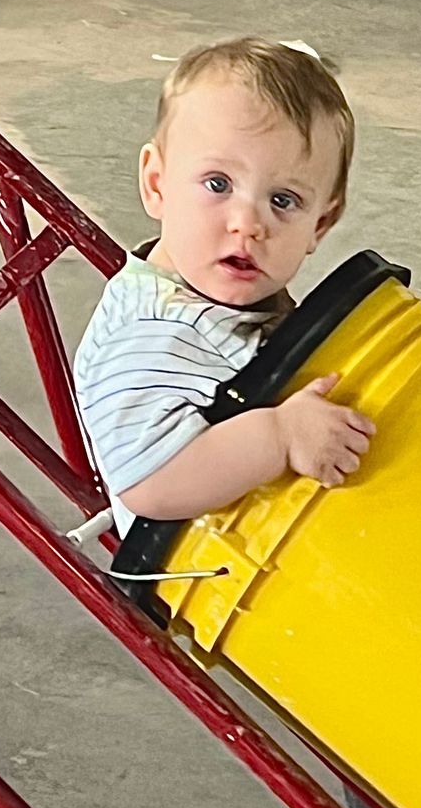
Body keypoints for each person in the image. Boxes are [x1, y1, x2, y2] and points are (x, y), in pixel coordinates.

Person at [74, 39, 374, 528]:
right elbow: (153, 484)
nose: (247, 223)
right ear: (156, 185)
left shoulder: (224, 296)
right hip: (218, 585)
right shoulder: (155, 332)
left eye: (283, 200)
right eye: (218, 184)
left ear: (320, 224)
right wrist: (279, 436)